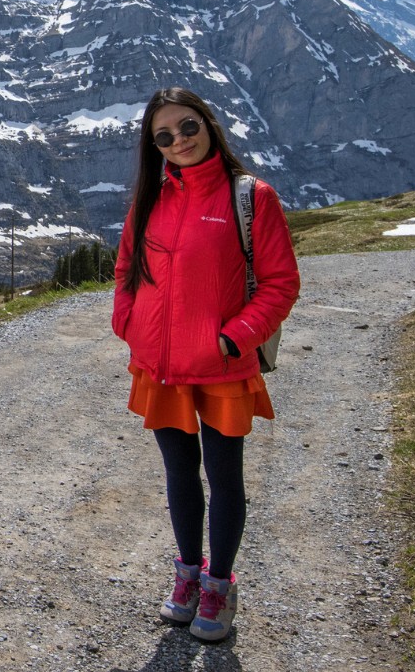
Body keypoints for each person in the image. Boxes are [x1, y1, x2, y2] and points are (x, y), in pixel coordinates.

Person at [110, 88, 299, 643]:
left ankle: (219, 584)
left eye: (187, 127)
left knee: (223, 476)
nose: (179, 141)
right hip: (159, 363)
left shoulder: (252, 197)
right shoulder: (149, 199)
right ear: (154, 147)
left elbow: (281, 283)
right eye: (163, 136)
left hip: (221, 364)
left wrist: (233, 339)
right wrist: (128, 323)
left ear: (209, 124)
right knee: (178, 473)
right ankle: (187, 575)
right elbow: (125, 271)